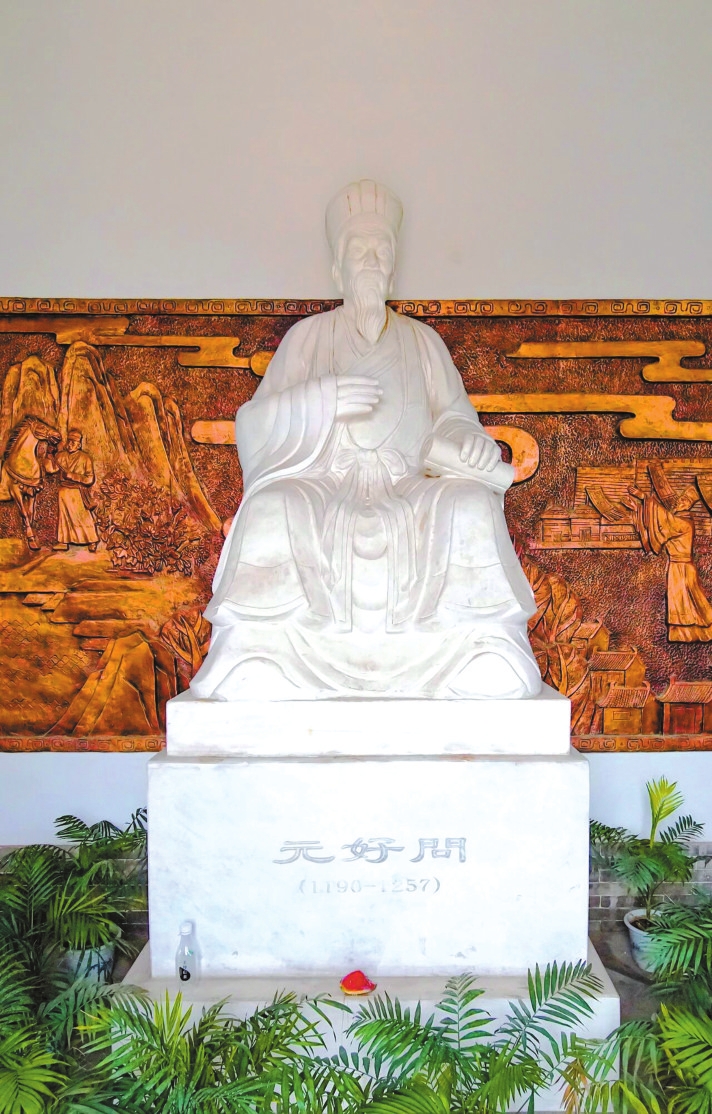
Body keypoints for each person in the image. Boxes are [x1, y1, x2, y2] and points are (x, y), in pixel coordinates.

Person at [191, 180, 541, 700]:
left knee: (469, 503)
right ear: (338, 268)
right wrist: (320, 402)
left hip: (411, 484)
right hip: (325, 482)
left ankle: (480, 653)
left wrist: (466, 441)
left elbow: (454, 417)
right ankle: (259, 656)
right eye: (360, 251)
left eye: (382, 251)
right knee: (271, 507)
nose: (372, 262)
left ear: (394, 268)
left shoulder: (423, 342)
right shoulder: (307, 338)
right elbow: (254, 424)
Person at [46, 429, 99, 552]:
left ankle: (91, 540)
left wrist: (74, 476)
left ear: (79, 445)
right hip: (63, 490)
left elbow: (89, 479)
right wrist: (49, 456)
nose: (70, 444)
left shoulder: (85, 458)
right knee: (63, 516)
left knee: (81, 516)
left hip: (77, 491)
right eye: (69, 441)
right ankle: (63, 541)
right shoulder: (60, 456)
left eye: (73, 442)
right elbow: (51, 469)